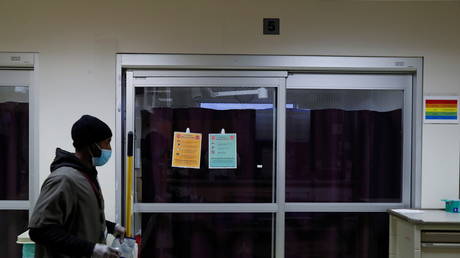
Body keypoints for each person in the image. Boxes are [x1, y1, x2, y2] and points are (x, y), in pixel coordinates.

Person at [29, 115, 125, 258]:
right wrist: (91, 249)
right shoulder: (64, 178)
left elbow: (78, 218)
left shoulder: (86, 176)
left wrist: (111, 227)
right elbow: (40, 230)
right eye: (107, 143)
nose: (109, 148)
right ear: (92, 145)